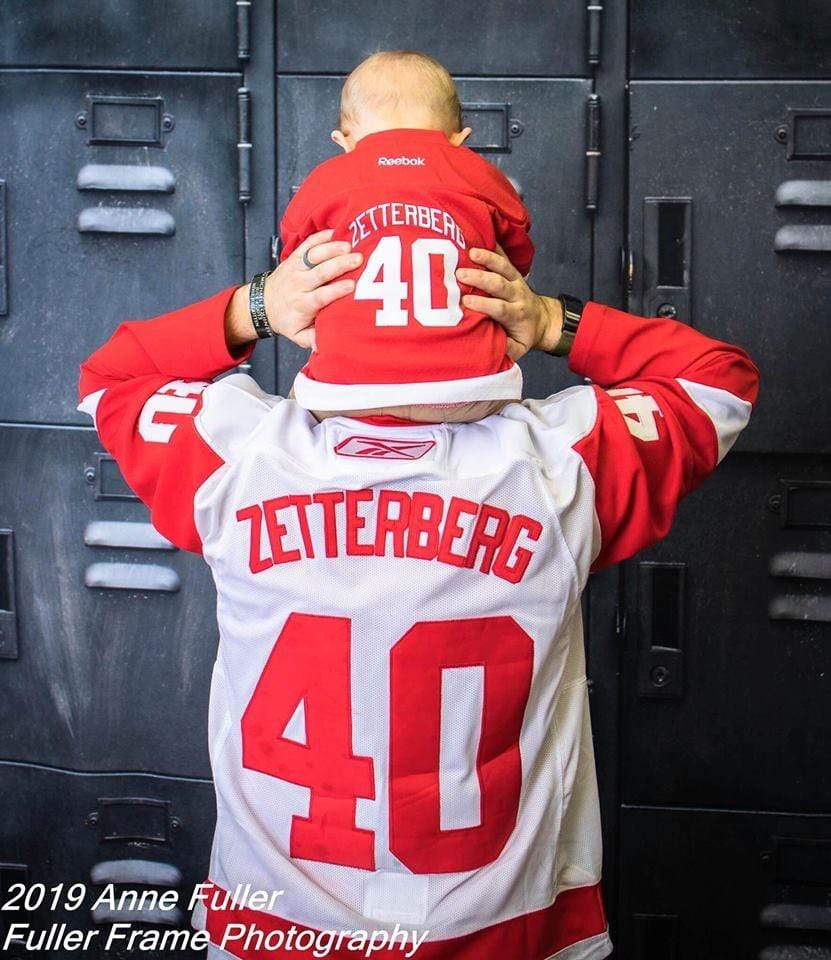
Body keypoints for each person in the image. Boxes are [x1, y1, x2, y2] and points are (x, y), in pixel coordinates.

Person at [77, 224, 758, 960]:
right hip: (501, 932)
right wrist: (548, 321)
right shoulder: (557, 468)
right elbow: (715, 377)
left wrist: (259, 308)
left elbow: (112, 376)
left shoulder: (237, 454)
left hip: (271, 933)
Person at [279, 50, 533, 424]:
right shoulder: (475, 171)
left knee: (293, 416)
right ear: (458, 137)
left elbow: (295, 258)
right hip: (474, 387)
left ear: (344, 140)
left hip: (345, 390)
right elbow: (518, 253)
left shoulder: (328, 177)